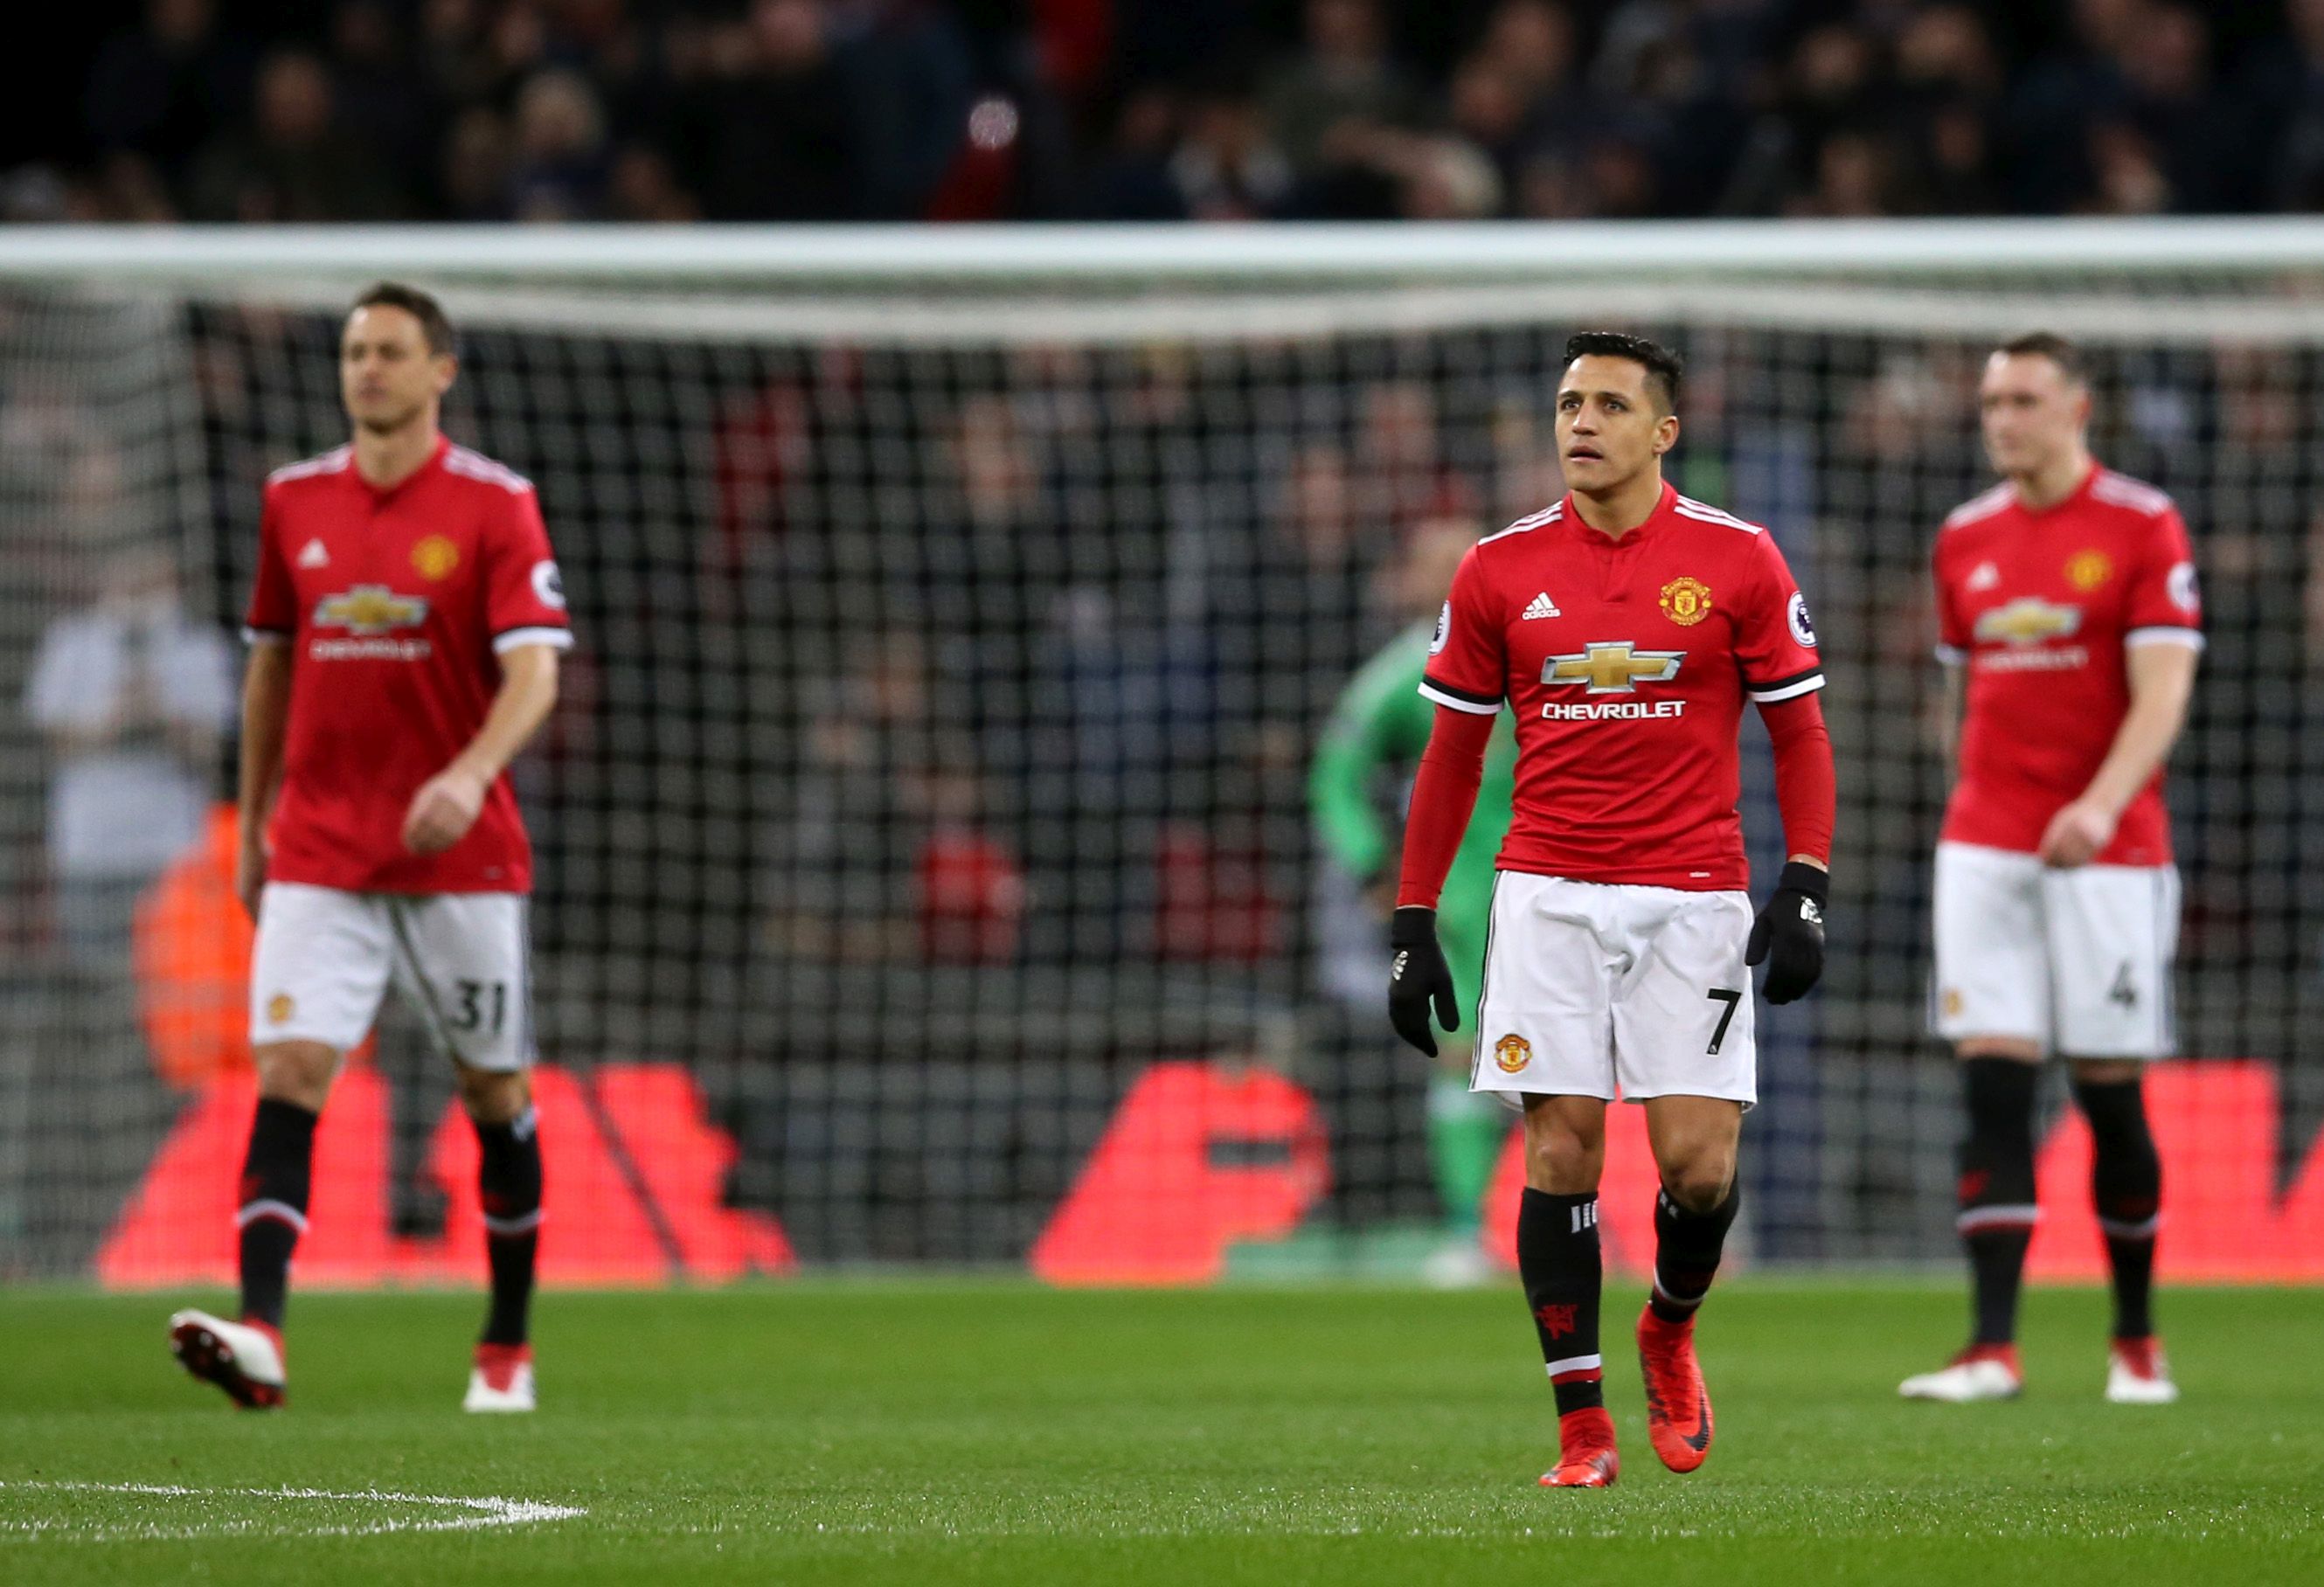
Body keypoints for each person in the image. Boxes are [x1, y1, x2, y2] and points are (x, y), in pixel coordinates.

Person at [1389, 332, 1834, 1487]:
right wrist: (1412, 919)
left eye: (1607, 405)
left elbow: (1797, 731)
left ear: (1662, 431)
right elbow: (1448, 755)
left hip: (1692, 897)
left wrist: (1804, 882)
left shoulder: (1737, 557)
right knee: (1559, 1149)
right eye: (1566, 403)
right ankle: (1580, 1427)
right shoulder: (1496, 568)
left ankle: (1667, 1327)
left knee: (1696, 1169)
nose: (1580, 422)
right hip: (1546, 894)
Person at [167, 281, 572, 1413]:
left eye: (392, 351)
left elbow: (535, 670)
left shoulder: (496, 505)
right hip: (321, 849)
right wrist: (253, 819)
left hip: (460, 856)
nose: (370, 369)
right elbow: (271, 667)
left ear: (441, 371)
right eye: (355, 352)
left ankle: (505, 1343)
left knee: (492, 1089)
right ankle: (260, 1334)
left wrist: (470, 772)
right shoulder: (293, 500)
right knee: (292, 1071)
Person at [1902, 332, 2199, 1407]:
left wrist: (2100, 803)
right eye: (1991, 402)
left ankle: (2135, 1340)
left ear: (2076, 408)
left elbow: (2162, 690)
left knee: (2108, 1092)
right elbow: (1960, 693)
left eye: (2023, 399)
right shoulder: (1964, 536)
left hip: (2110, 852)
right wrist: (1971, 798)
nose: (2002, 420)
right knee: (1991, 1081)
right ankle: (1991, 1348)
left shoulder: (2140, 522)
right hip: (1986, 843)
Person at [1309, 517, 1516, 1284]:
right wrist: (1372, 867)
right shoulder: (1402, 673)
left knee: (1572, 1060)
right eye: (1437, 563)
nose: (1454, 575)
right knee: (1461, 1062)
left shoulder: (1544, 655)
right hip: (1460, 899)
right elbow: (1335, 774)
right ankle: (1469, 1233)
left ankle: (1588, 1220)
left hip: (1562, 881)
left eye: (1465, 560)